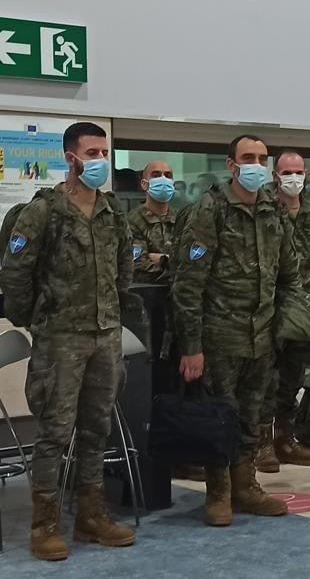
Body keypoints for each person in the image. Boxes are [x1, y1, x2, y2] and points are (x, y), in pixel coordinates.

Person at [3, 122, 135, 560]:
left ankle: (91, 516)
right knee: (55, 432)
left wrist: (112, 310)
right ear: (70, 158)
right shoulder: (43, 211)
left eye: (104, 152)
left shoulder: (113, 212)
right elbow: (15, 273)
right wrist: (34, 319)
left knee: (97, 428)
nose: (100, 160)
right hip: (60, 338)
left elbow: (124, 268)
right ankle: (44, 525)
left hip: (105, 334)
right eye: (92, 153)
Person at [172, 134, 300, 526]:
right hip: (219, 336)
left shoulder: (273, 211)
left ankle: (246, 486)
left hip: (262, 336)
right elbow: (188, 284)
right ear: (231, 165)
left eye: (262, 158)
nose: (256, 165)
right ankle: (219, 492)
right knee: (219, 418)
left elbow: (289, 274)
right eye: (248, 158)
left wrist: (287, 326)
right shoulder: (210, 210)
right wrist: (191, 346)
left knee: (252, 416)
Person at [254, 150, 310, 473]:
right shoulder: (264, 207)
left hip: (301, 303)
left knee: (293, 373)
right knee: (266, 375)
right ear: (275, 175)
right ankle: (262, 444)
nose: (293, 178)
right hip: (269, 302)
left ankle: (285, 437)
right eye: (287, 172)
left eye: (298, 171)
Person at [128, 159, 177, 284]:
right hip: (145, 292)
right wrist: (169, 262)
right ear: (144, 184)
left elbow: (193, 263)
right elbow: (137, 266)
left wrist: (158, 258)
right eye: (156, 175)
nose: (163, 179)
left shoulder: (181, 220)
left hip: (178, 293)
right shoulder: (132, 221)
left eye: (168, 175)